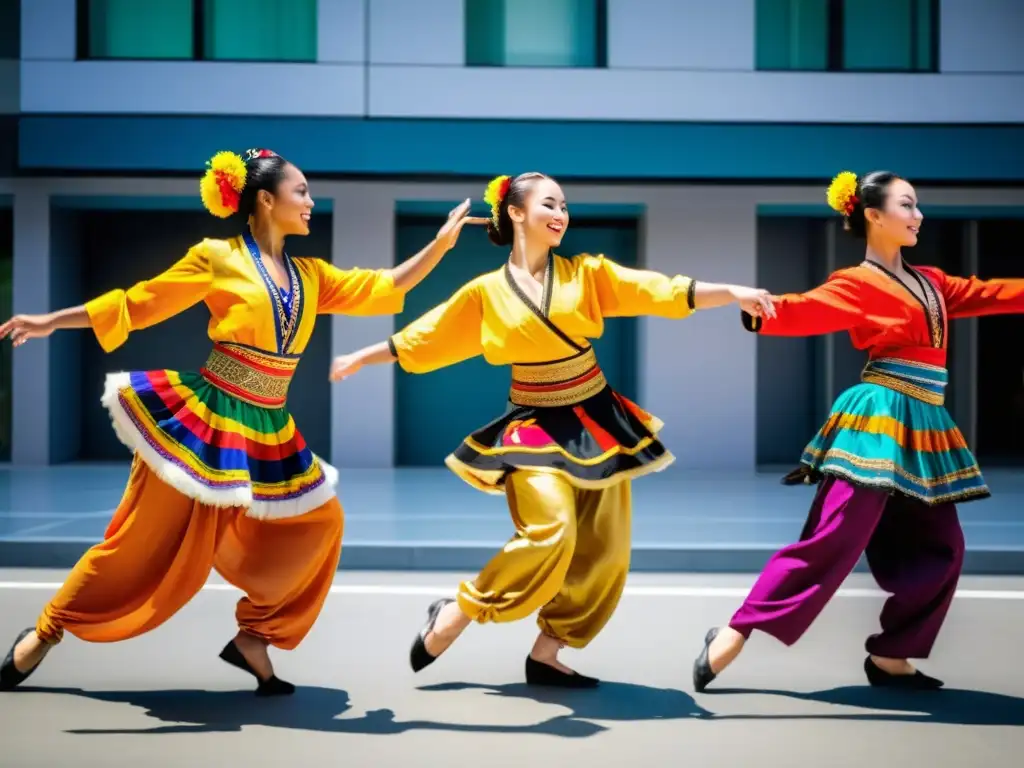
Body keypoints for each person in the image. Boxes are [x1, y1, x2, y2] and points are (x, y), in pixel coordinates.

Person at [0, 148, 484, 694]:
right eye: (300, 191)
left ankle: (256, 636)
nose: (310, 201)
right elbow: (140, 304)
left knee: (321, 523)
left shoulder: (312, 276)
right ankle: (45, 632)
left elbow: (387, 286)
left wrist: (441, 244)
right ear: (265, 199)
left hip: (268, 428)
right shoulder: (216, 257)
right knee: (138, 541)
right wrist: (50, 322)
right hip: (205, 420)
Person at [329, 172, 776, 687]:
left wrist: (734, 292)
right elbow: (428, 336)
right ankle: (458, 611)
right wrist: (361, 357)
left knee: (605, 549)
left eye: (565, 205)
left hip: (596, 419)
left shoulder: (586, 273)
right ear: (516, 213)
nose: (561, 214)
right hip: (532, 423)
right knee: (551, 529)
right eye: (549, 204)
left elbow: (660, 290)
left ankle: (548, 653)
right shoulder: (486, 292)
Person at [692, 170, 1024, 693]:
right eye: (907, 205)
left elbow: (993, 293)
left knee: (943, 545)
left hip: (924, 425)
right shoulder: (857, 282)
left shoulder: (934, 282)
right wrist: (758, 306)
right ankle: (737, 629)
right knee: (838, 534)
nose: (918, 216)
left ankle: (893, 656)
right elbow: (804, 310)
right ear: (873, 214)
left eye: (918, 206)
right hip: (877, 416)